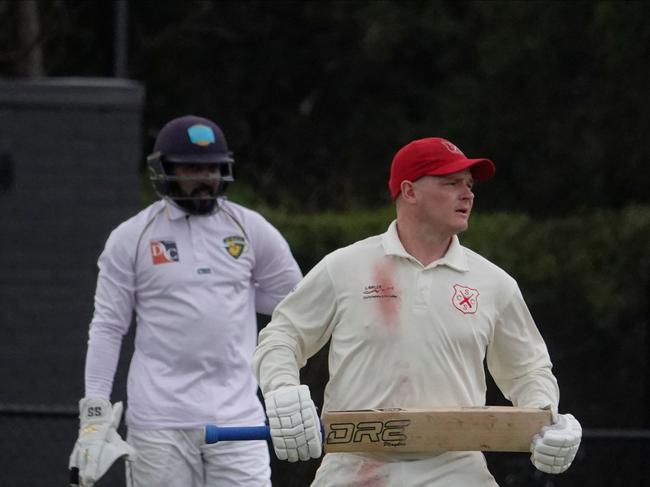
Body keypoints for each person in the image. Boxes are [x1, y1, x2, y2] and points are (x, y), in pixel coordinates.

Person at [252, 137, 582, 486]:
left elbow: (528, 369)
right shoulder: (344, 268)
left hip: (456, 469)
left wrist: (547, 418)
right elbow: (282, 336)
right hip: (356, 467)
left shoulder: (493, 283)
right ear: (409, 191)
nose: (467, 194)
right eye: (451, 183)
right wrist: (282, 389)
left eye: (469, 185)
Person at [68, 115, 302, 487]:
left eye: (213, 168)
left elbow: (295, 302)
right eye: (193, 167)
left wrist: (236, 294)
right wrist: (95, 410)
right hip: (159, 419)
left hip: (237, 416)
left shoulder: (250, 228)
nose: (206, 178)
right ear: (166, 170)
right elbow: (109, 326)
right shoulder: (132, 237)